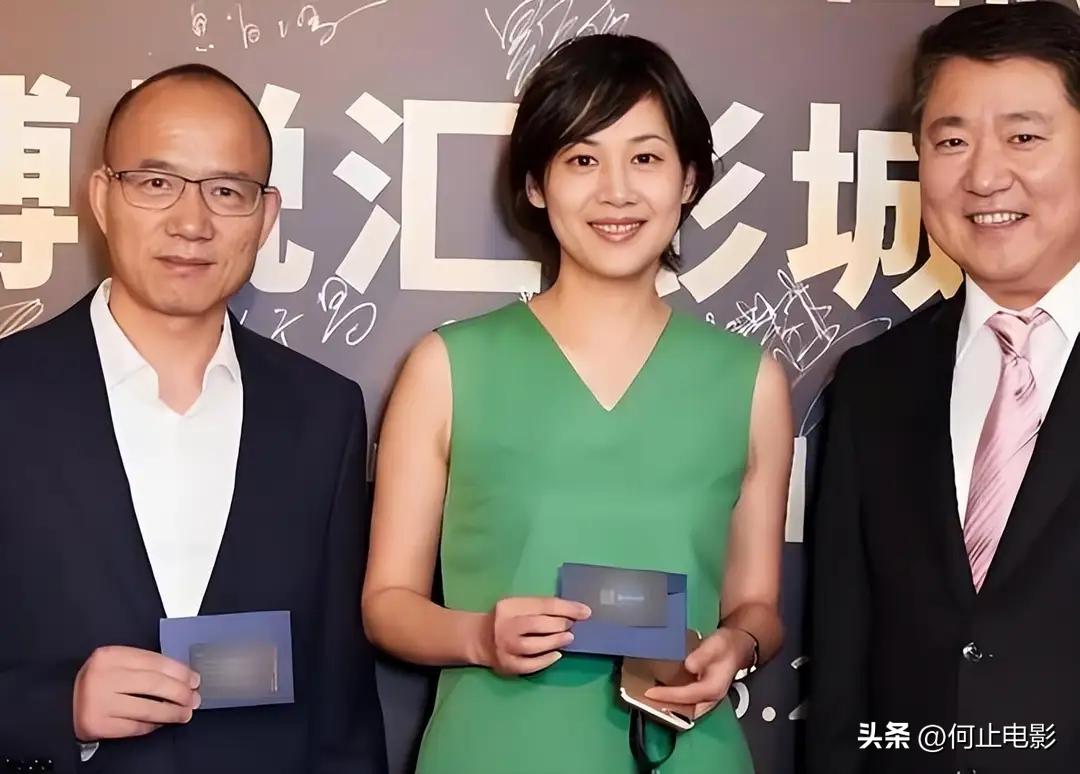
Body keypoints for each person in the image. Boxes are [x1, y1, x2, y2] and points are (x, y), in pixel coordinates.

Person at [363, 34, 791, 774]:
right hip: (496, 752)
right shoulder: (448, 366)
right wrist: (478, 638)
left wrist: (739, 647)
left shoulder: (750, 380)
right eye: (583, 160)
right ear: (536, 184)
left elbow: (757, 607)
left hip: (688, 751)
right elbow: (387, 603)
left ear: (689, 178)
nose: (616, 192)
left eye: (646, 158)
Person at [0, 64, 387, 774]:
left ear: (265, 216)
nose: (191, 222)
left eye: (226, 191)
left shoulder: (323, 412)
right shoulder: (10, 392)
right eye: (156, 183)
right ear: (101, 197)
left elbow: (341, 701)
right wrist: (55, 708)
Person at [809, 4, 1080, 773]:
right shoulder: (874, 384)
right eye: (951, 141)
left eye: (1024, 137)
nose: (985, 176)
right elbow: (842, 676)